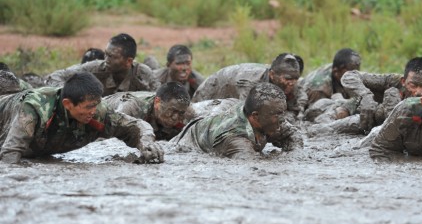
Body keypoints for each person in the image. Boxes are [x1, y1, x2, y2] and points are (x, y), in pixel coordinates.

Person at [0, 72, 164, 164]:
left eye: (96, 104)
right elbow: (9, 156)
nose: (94, 111)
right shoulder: (35, 110)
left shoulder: (100, 112)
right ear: (67, 104)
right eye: (88, 107)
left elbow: (135, 126)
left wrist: (146, 143)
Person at [170, 83, 302, 158]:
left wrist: (293, 155)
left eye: (283, 112)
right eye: (278, 114)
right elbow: (251, 166)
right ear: (255, 117)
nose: (283, 119)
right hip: (185, 146)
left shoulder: (271, 120)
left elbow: (294, 136)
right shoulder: (234, 137)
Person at [305, 57, 422, 133]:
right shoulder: (392, 81)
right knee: (324, 125)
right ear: (404, 81)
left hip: (383, 120)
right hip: (362, 110)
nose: (418, 92)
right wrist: (366, 96)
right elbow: (350, 76)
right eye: (413, 85)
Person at [192, 53, 307, 119]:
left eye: (295, 79)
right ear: (272, 75)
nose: (291, 83)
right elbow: (244, 114)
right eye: (287, 79)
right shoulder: (251, 83)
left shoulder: (291, 82)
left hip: (237, 87)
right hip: (217, 87)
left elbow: (299, 101)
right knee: (195, 116)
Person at [46, 33, 159, 96]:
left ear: (128, 61)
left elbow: (160, 98)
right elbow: (55, 76)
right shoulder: (95, 68)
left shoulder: (144, 74)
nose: (106, 60)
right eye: (106, 54)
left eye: (112, 57)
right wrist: (68, 93)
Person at [104, 82, 195, 141]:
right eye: (171, 110)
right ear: (157, 102)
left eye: (180, 113)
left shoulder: (188, 114)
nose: (175, 117)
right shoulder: (133, 107)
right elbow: (112, 139)